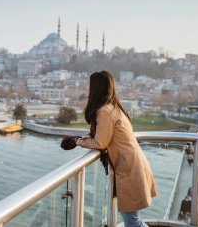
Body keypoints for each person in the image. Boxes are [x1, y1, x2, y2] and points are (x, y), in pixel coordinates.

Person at [61, 71, 157, 227]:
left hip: (129, 169)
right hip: (133, 164)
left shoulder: (104, 111)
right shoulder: (114, 108)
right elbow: (105, 137)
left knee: (133, 222)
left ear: (96, 88)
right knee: (133, 220)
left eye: (90, 85)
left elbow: (100, 143)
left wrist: (78, 141)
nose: (87, 88)